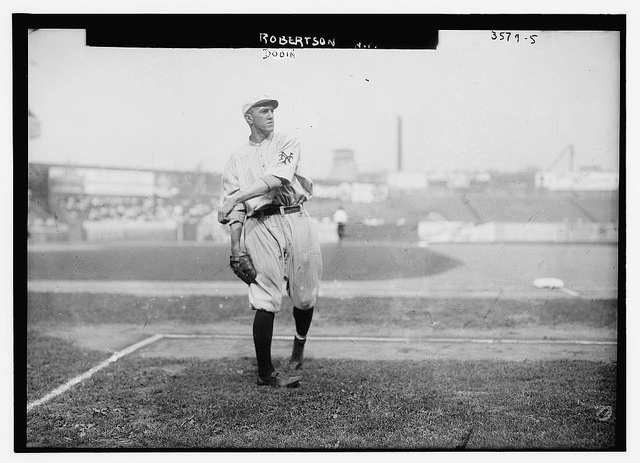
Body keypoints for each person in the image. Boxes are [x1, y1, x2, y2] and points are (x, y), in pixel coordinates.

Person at [218, 95, 323, 388]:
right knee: (265, 297)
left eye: (272, 110)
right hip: (260, 224)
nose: (270, 114)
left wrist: (234, 199)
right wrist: (236, 247)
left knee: (304, 295)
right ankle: (265, 373)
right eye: (263, 110)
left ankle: (298, 351)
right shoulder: (236, 159)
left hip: (296, 217)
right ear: (248, 117)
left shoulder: (287, 142)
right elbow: (236, 212)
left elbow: (275, 179)